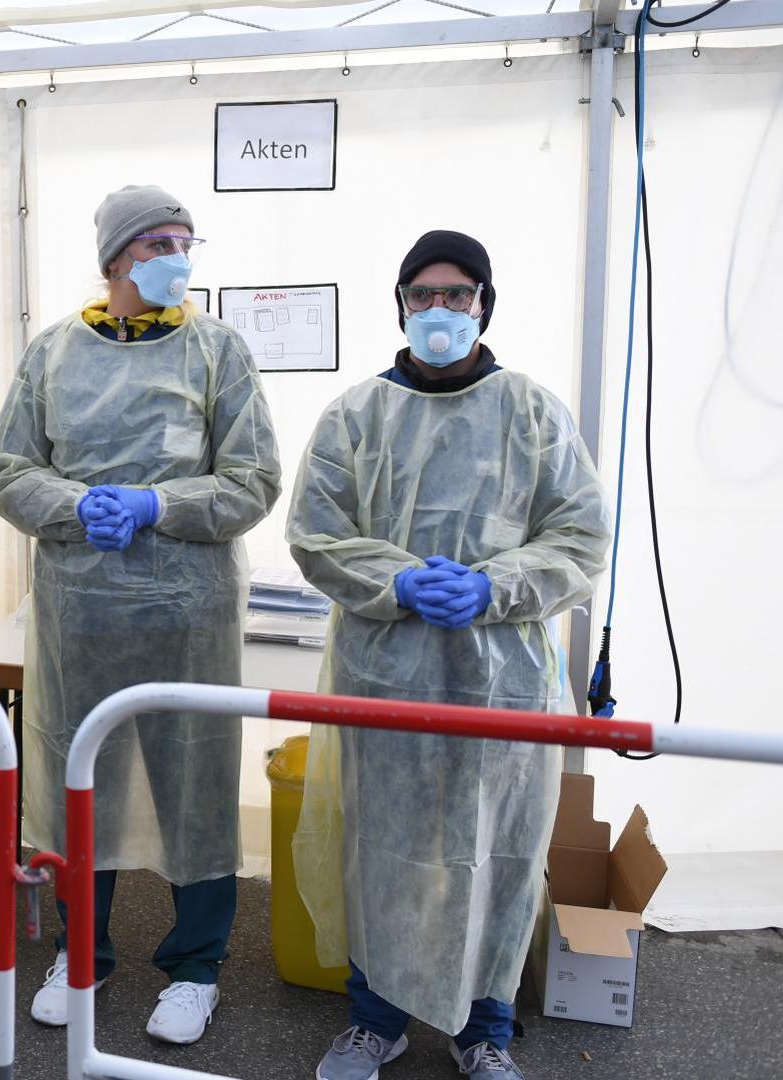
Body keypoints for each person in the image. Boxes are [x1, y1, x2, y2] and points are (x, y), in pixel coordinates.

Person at [287, 230, 611, 1080]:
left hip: (500, 677)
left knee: (498, 847)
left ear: (483, 306)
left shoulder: (532, 411)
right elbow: (316, 535)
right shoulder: (356, 415)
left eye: (456, 295)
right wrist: (398, 583)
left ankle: (484, 1029)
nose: (439, 311)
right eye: (422, 295)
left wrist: (492, 586)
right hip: (383, 668)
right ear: (398, 306)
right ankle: (375, 1019)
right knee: (383, 848)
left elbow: (579, 537)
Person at [0, 186, 282, 1045]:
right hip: (82, 610)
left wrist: (154, 504)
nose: (174, 256)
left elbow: (253, 478)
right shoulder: (53, 353)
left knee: (195, 781)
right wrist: (79, 507)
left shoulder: (217, 351)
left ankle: (195, 968)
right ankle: (82, 953)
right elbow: (7, 468)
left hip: (190, 609)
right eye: (155, 241)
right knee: (82, 775)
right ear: (115, 258)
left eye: (185, 241)